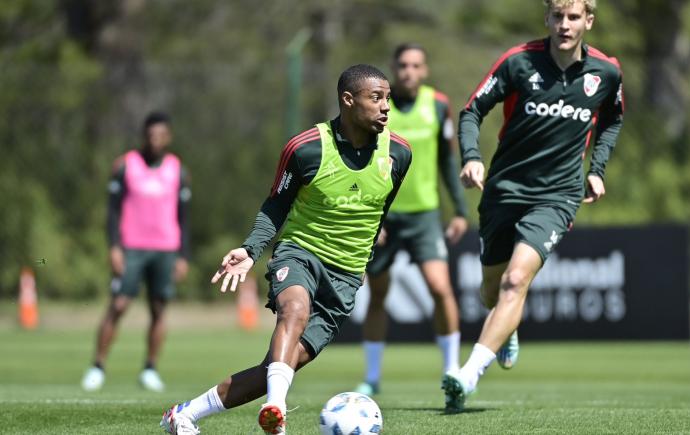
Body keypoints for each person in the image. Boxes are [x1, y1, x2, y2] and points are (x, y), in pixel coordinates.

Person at [160, 64, 412, 435]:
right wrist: (250, 250)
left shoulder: (400, 154)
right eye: (376, 98)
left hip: (345, 277)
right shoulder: (306, 148)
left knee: (276, 368)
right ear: (348, 100)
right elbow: (276, 204)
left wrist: (369, 247)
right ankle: (275, 410)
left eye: (387, 98)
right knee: (294, 310)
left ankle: (184, 414)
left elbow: (379, 210)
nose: (386, 106)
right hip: (301, 252)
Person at [443, 0, 624, 413]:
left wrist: (597, 168)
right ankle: (505, 331)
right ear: (547, 18)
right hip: (504, 190)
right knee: (492, 291)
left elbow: (613, 119)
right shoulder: (518, 62)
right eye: (558, 16)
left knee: (515, 280)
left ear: (588, 21)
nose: (565, 25)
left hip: (557, 196)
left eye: (574, 17)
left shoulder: (606, 72)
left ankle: (467, 373)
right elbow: (472, 110)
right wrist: (471, 157)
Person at [354, 43, 468, 396]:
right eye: (402, 65)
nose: (408, 71)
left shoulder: (437, 105)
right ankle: (372, 377)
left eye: (416, 65)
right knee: (377, 295)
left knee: (440, 288)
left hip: (424, 215)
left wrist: (461, 210)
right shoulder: (377, 106)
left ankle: (452, 372)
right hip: (383, 218)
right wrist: (371, 215)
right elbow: (358, 161)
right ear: (393, 68)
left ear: (425, 70)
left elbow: (448, 162)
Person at [81, 112, 191, 392]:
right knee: (118, 305)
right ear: (143, 136)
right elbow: (113, 211)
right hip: (131, 247)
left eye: (160, 135)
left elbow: (184, 216)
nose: (155, 140)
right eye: (150, 135)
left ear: (168, 137)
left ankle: (150, 369)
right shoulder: (125, 165)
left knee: (158, 309)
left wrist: (183, 255)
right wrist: (114, 246)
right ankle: (97, 367)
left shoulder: (178, 170)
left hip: (165, 248)